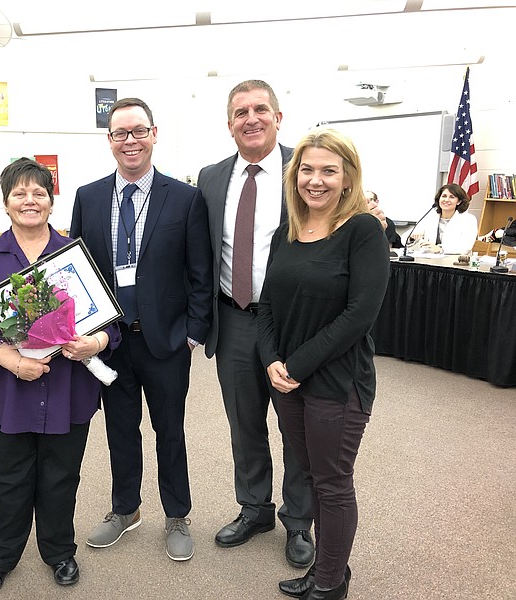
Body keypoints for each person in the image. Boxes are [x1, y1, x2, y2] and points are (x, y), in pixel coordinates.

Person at [0, 158, 121, 592]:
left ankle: (59, 551)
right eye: (20, 194)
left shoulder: (74, 255)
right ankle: (1, 557)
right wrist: (14, 362)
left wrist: (96, 344)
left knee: (61, 477)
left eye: (39, 193)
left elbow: (107, 320)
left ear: (51, 201)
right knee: (7, 480)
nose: (30, 201)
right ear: (6, 202)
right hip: (9, 391)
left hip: (68, 389)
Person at [70, 98, 212, 562]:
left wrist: (193, 333)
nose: (129, 141)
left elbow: (200, 272)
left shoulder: (186, 198)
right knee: (120, 430)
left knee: (170, 430)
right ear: (109, 140)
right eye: (119, 133)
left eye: (137, 131)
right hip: (109, 342)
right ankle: (124, 508)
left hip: (166, 341)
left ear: (154, 134)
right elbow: (75, 271)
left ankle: (177, 514)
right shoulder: (88, 197)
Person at [257, 127, 390, 600]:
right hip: (288, 378)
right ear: (295, 176)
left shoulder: (363, 230)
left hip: (337, 381)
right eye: (307, 170)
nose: (316, 180)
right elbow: (267, 303)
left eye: (328, 171)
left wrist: (295, 364)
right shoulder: (285, 233)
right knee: (311, 472)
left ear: (347, 176)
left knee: (333, 482)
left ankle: (331, 581)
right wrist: (271, 358)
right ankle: (327, 571)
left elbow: (359, 316)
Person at [197, 80, 314, 568]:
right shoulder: (209, 177)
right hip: (234, 320)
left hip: (290, 325)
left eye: (260, 109)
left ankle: (299, 521)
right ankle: (255, 508)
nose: (251, 118)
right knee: (244, 424)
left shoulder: (304, 170)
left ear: (278, 116)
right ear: (229, 124)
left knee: (297, 428)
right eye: (240, 111)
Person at [407, 183, 478, 254]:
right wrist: (412, 237)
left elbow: (465, 247)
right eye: (444, 196)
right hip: (428, 260)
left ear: (459, 202)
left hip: (454, 262)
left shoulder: (469, 220)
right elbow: (405, 238)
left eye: (452, 197)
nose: (446, 200)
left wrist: (440, 249)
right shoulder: (429, 217)